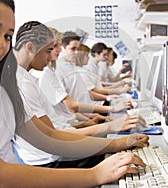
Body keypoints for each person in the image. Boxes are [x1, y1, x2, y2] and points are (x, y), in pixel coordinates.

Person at [0, 0, 149, 187]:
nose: (0, 43)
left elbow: (46, 135)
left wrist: (118, 143)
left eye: (7, 36)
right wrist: (95, 175)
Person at [13, 21, 146, 168]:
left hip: (55, 150)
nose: (51, 56)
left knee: (118, 149)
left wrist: (86, 123)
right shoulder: (24, 83)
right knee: (120, 154)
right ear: (30, 47)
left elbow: (53, 128)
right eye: (48, 50)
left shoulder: (26, 79)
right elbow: (52, 135)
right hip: (52, 159)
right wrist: (114, 135)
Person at [41, 28, 131, 120]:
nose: (77, 52)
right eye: (73, 49)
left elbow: (83, 94)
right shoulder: (55, 71)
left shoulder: (71, 67)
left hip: (84, 114)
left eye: (78, 49)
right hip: (77, 118)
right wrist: (111, 106)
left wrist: (89, 117)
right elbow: (70, 105)